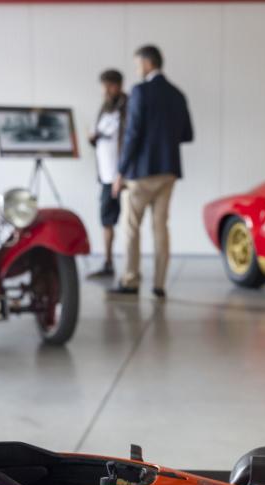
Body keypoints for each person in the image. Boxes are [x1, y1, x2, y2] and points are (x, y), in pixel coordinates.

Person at [109, 44, 193, 299]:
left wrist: (120, 171)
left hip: (141, 173)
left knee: (131, 228)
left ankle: (130, 280)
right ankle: (159, 284)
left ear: (147, 63)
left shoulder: (140, 91)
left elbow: (132, 133)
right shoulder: (177, 94)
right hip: (169, 171)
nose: (137, 69)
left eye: (138, 64)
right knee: (161, 228)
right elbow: (187, 134)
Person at [87, 69, 127, 280]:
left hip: (122, 176)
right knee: (106, 219)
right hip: (105, 175)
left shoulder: (127, 107)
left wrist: (123, 172)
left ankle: (130, 268)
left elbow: (130, 140)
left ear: (116, 85)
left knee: (128, 223)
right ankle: (108, 262)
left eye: (108, 86)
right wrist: (93, 138)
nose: (104, 91)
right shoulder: (104, 108)